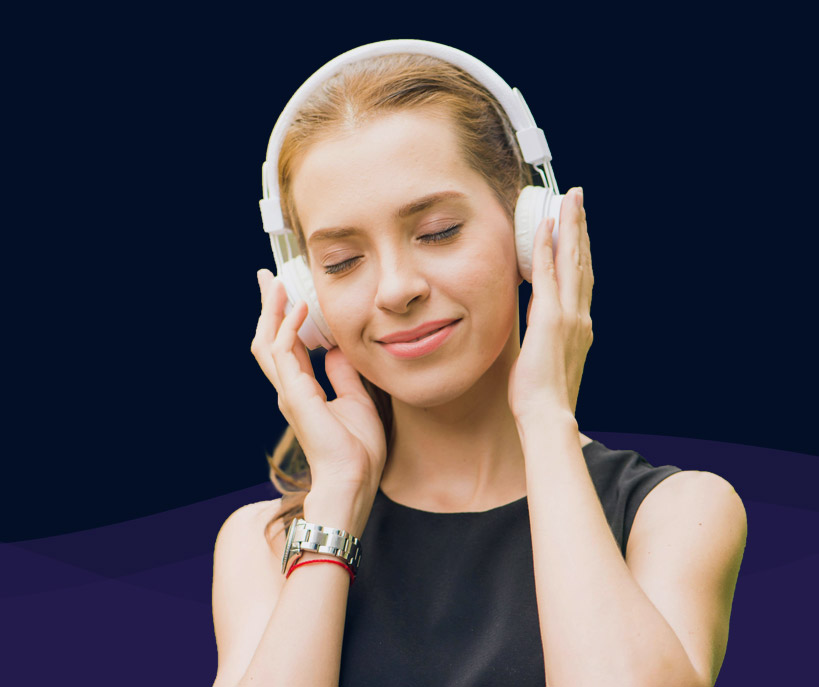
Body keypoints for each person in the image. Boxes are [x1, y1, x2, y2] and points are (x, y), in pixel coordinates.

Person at [211, 41, 747, 687]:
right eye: (341, 261)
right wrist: (336, 500)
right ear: (306, 297)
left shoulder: (674, 512)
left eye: (436, 230)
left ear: (532, 232)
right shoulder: (264, 543)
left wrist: (546, 418)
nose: (395, 288)